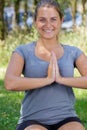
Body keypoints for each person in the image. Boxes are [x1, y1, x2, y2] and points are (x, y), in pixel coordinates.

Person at [4, 0, 87, 130]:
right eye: (42, 20)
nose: (48, 25)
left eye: (53, 19)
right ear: (35, 21)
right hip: (32, 120)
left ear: (61, 20)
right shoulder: (23, 51)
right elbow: (10, 82)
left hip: (66, 118)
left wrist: (61, 79)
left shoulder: (73, 52)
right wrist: (47, 80)